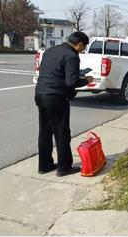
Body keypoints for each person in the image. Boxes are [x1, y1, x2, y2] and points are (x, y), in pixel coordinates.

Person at [35, 31, 94, 176]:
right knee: (62, 133)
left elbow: (52, 72)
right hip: (56, 98)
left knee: (45, 132)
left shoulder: (50, 51)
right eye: (83, 47)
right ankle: (64, 167)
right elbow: (71, 82)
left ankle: (44, 165)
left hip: (41, 95)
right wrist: (87, 80)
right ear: (79, 44)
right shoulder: (72, 56)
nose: (83, 50)